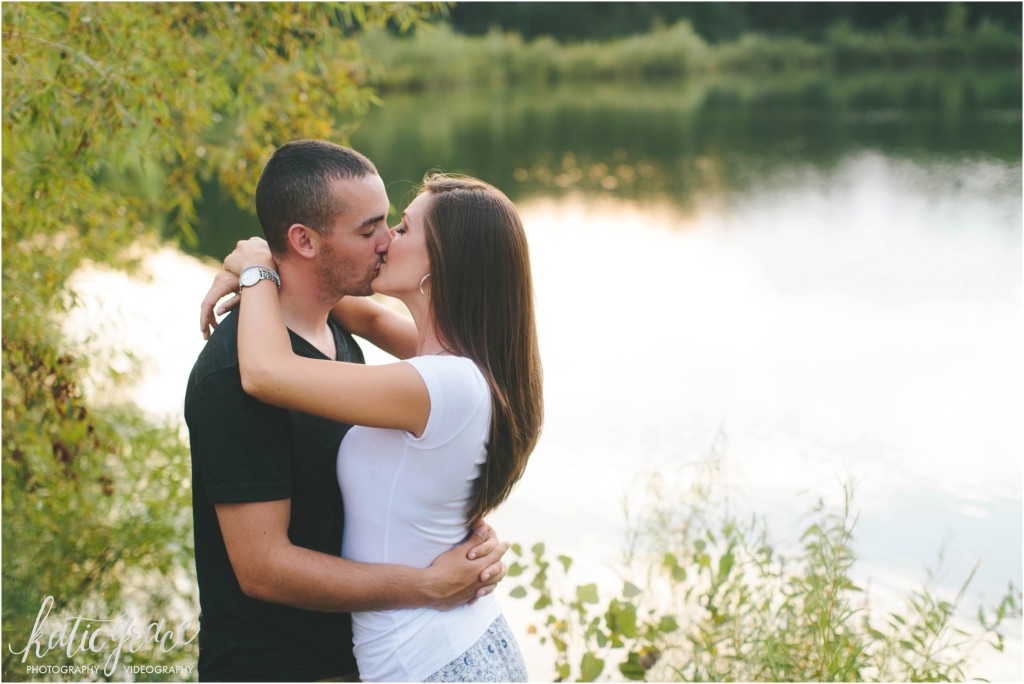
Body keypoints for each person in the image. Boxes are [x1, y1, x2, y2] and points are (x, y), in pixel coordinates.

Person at [185, 141, 510, 682]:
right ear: (305, 240)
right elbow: (264, 570)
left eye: (393, 225)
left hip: (368, 655)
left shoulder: (341, 328)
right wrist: (426, 582)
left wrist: (454, 529)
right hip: (281, 668)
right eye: (369, 230)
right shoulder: (231, 376)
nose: (385, 243)